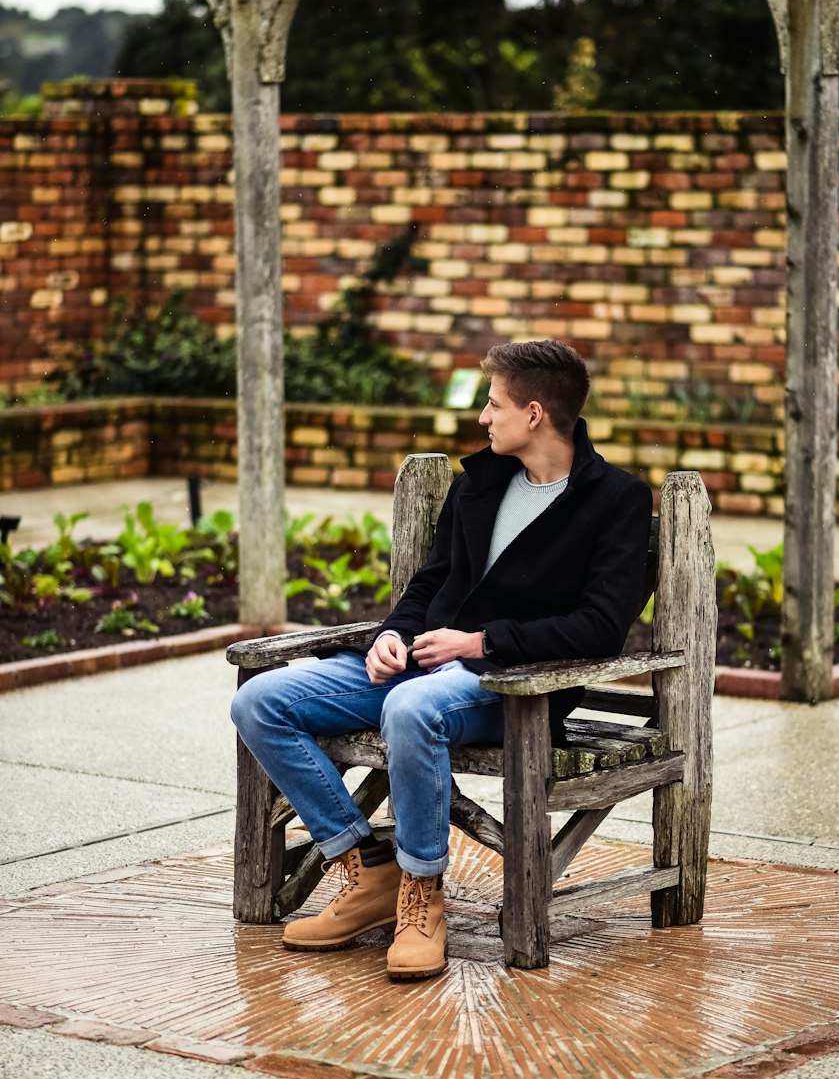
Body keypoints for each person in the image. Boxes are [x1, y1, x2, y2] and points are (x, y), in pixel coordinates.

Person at [231, 339, 652, 981]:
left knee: (409, 706)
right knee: (258, 702)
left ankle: (422, 892)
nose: (484, 417)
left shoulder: (615, 499)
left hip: (507, 687)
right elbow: (432, 582)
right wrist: (392, 635)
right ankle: (366, 869)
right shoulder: (480, 483)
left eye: (494, 404)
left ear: (534, 414)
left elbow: (598, 625)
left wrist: (479, 643)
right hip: (418, 666)